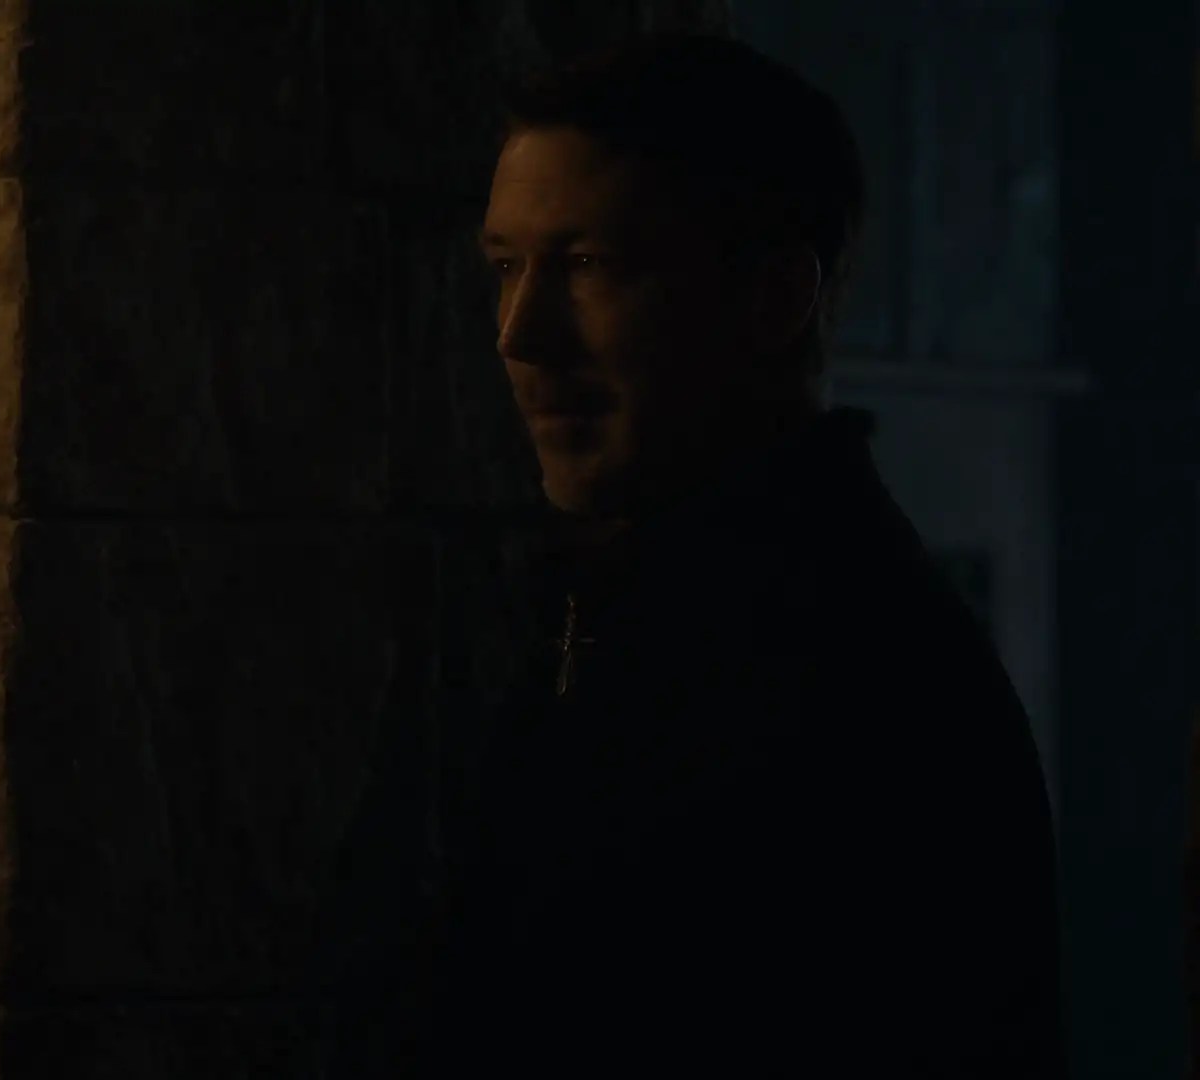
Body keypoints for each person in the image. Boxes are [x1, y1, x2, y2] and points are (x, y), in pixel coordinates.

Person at [425, 34, 1065, 1076]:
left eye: (588, 266)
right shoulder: (601, 611)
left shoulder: (862, 682)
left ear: (772, 297)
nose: (519, 331)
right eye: (506, 266)